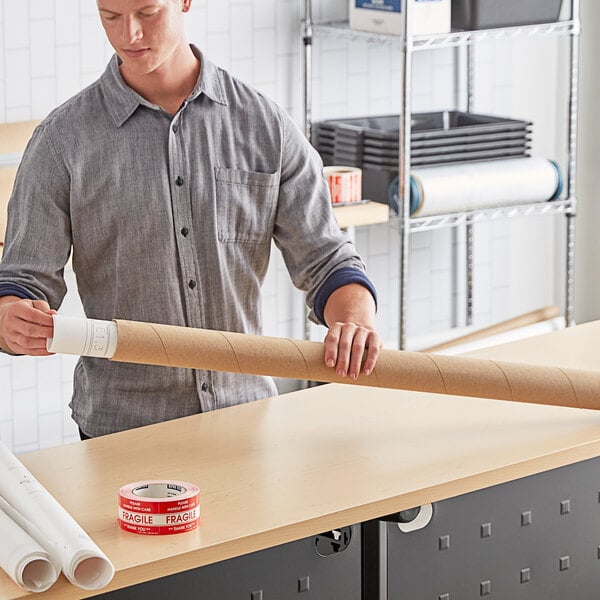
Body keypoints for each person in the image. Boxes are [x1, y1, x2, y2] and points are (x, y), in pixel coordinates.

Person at [0, 0, 381, 438]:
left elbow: (327, 260)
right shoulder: (61, 142)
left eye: (146, 13)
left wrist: (356, 319)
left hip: (247, 421)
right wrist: (12, 320)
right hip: (122, 432)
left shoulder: (264, 125)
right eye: (111, 17)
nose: (129, 36)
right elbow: (22, 281)